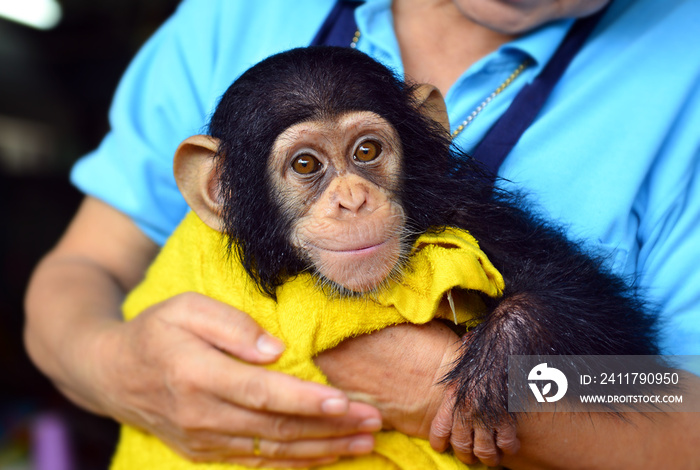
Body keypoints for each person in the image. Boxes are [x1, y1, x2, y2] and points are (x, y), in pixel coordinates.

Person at [24, 0, 700, 468]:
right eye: (309, 166)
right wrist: (114, 365)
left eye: (370, 153)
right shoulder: (233, 16)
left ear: (424, 132)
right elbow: (83, 269)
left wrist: (491, 388)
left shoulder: (682, 66)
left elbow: (664, 395)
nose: (350, 197)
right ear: (217, 189)